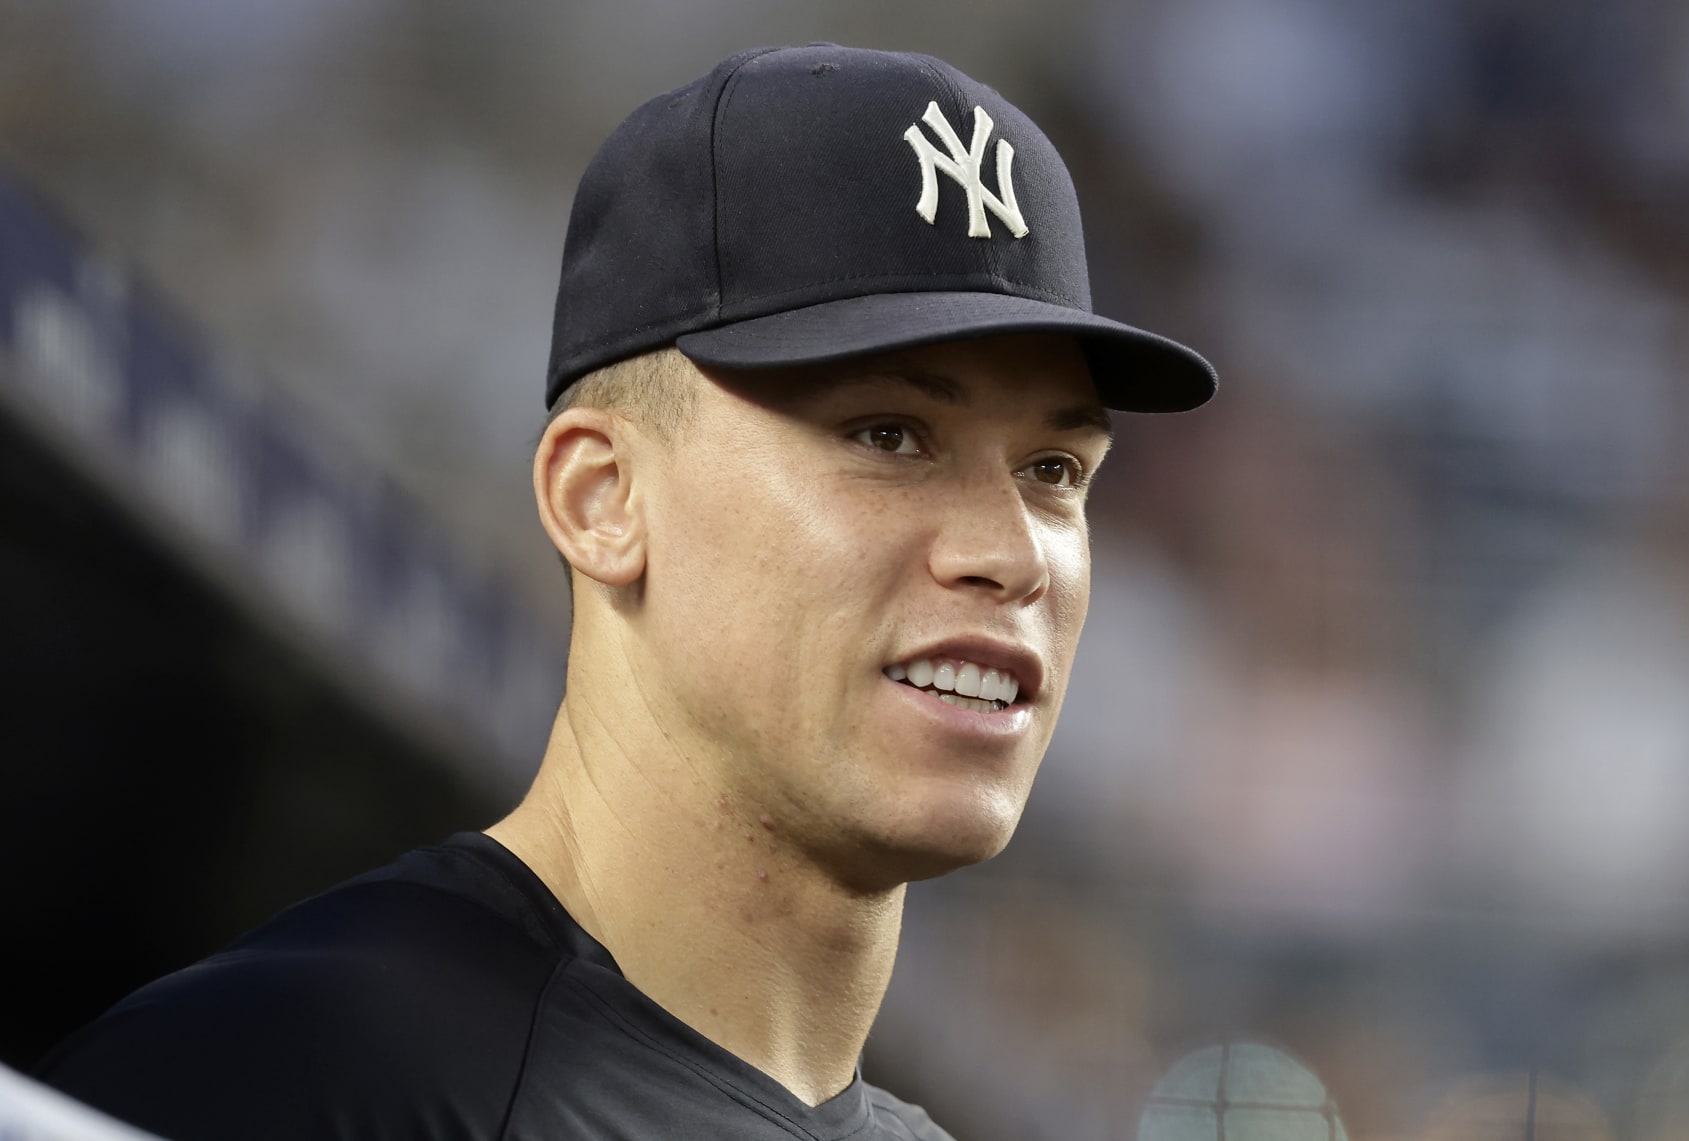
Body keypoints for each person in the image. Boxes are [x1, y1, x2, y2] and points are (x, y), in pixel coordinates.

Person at [34, 43, 1217, 1140]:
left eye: (1054, 471)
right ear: (602, 500)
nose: (1009, 551)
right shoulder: (299, 1076)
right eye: (890, 434)